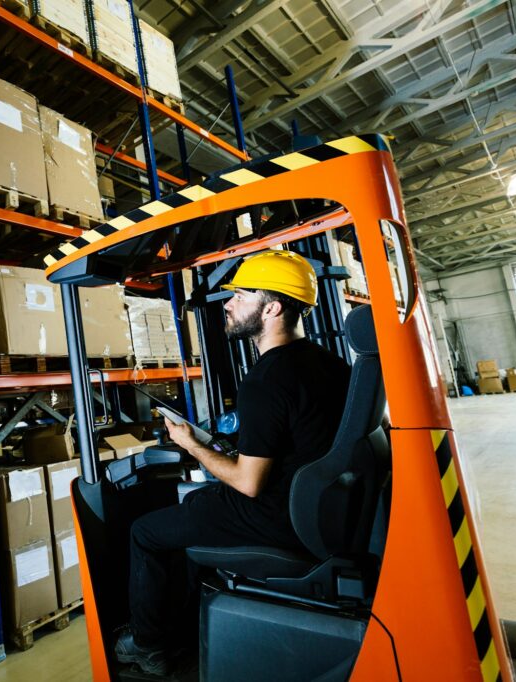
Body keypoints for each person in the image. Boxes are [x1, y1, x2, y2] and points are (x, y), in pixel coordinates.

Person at [114, 250, 352, 675]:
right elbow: (292, 438)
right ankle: (185, 625)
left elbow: (247, 482)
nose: (228, 304)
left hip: (276, 515)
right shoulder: (328, 363)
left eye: (241, 295)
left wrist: (192, 445)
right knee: (194, 509)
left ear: (272, 307)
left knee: (145, 532)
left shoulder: (266, 379)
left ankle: (147, 645)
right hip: (316, 507)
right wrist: (225, 446)